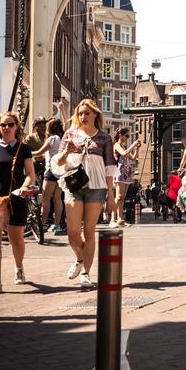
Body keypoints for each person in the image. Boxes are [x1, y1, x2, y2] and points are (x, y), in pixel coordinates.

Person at [53, 99, 116, 289]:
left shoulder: (104, 138)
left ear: (95, 114)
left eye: (87, 113)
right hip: (74, 185)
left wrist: (111, 194)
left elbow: (109, 167)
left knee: (89, 231)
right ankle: (79, 259)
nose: (83, 116)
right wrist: (67, 151)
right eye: (80, 113)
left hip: (97, 187)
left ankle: (86, 274)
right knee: (72, 230)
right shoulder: (70, 134)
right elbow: (58, 162)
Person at [0, 112, 36, 295]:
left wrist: (24, 186)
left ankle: (19, 266)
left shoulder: (23, 149)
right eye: (3, 125)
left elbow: (31, 174)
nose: (6, 128)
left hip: (16, 200)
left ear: (17, 127)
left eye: (10, 124)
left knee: (17, 240)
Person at [31, 118, 65, 233]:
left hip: (51, 171)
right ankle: (57, 225)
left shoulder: (51, 139)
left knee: (46, 199)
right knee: (57, 198)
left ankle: (43, 223)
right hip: (61, 172)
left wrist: (27, 153)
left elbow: (39, 152)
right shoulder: (62, 138)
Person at [110, 128, 141, 227]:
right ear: (120, 135)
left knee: (122, 197)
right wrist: (133, 145)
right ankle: (113, 219)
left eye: (128, 136)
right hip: (119, 171)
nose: (127, 138)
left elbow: (134, 157)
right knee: (118, 196)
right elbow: (123, 154)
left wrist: (137, 148)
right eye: (126, 136)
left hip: (125, 172)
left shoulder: (124, 146)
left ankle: (120, 219)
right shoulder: (116, 145)